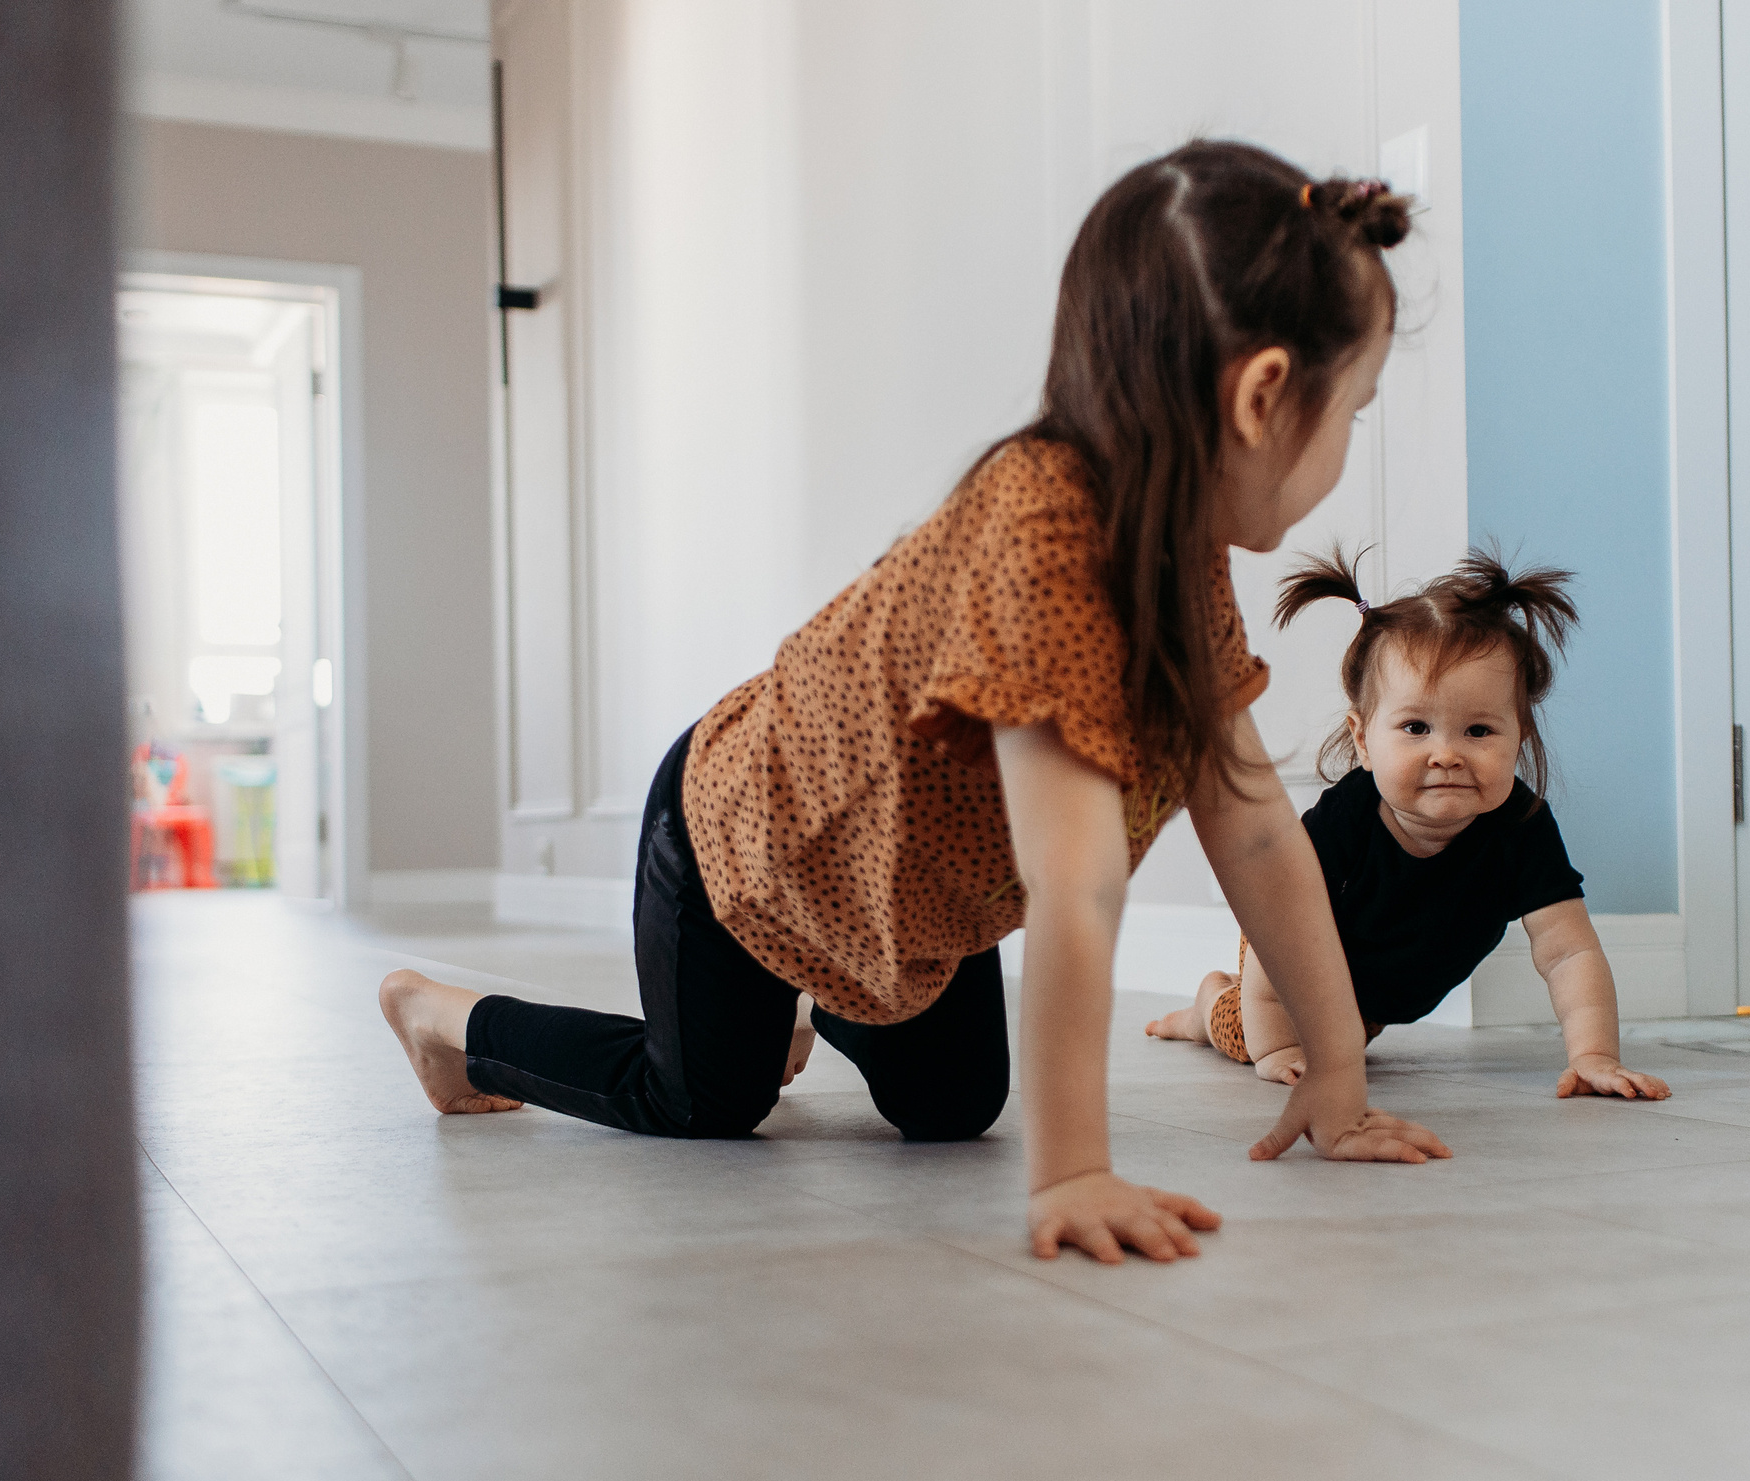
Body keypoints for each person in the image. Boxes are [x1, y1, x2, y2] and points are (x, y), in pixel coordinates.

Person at [379, 141, 1448, 1266]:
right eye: (1354, 415)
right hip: (745, 848)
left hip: (901, 895)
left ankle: (822, 993)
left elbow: (1255, 823)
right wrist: (1074, 1173)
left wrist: (1338, 1075)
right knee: (700, 1102)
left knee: (953, 1109)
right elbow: (1075, 889)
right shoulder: (1040, 547)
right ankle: (444, 1020)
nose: (1344, 449)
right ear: (1262, 395)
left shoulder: (1174, 554)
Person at [1146, 548, 1672, 1103]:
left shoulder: (1522, 825)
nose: (1445, 754)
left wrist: (1594, 1056)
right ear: (1363, 739)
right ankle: (1207, 1008)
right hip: (1287, 956)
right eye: (1416, 727)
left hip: (1372, 998)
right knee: (1256, 1034)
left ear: (1519, 734)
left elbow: (1570, 953)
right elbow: (1281, 933)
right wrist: (1279, 1050)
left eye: (1478, 731)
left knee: (1350, 1032)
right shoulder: (1344, 821)